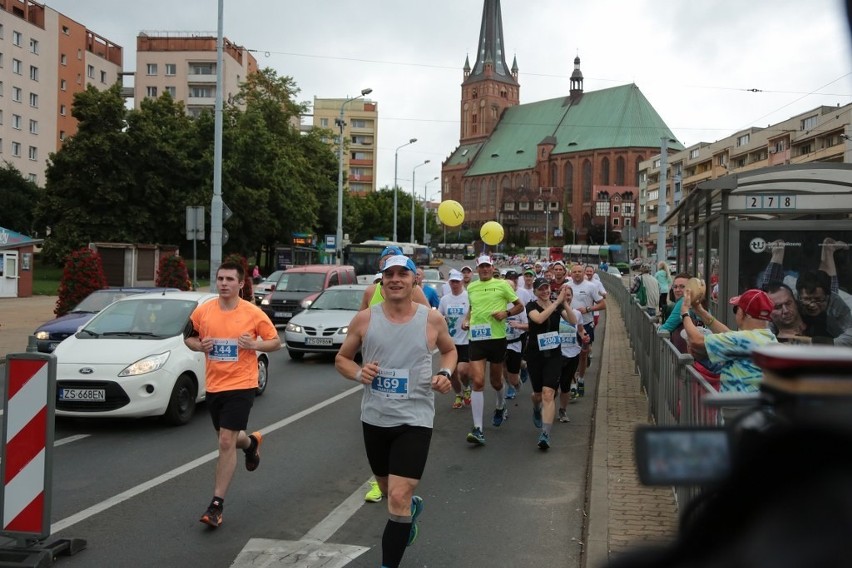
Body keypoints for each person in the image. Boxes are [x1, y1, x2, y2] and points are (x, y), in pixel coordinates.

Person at [334, 255, 456, 568]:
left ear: (415, 280)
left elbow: (450, 350)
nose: (396, 279)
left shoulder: (431, 319)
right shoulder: (364, 319)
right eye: (390, 274)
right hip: (374, 418)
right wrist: (358, 372)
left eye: (403, 273)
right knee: (390, 491)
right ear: (382, 281)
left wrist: (445, 373)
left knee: (398, 498)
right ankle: (409, 511)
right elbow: (342, 359)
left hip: (415, 418)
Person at [184, 261, 282, 528]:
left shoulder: (252, 313)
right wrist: (198, 345)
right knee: (229, 438)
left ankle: (216, 505)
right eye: (220, 278)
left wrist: (255, 344)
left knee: (225, 442)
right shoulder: (203, 312)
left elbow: (275, 342)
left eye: (229, 279)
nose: (224, 283)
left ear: (241, 284)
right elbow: (188, 337)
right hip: (214, 385)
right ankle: (251, 444)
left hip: (242, 384)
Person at [461, 255, 524, 445]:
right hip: (477, 339)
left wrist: (506, 313)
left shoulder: (503, 285)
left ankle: (500, 404)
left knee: (496, 382)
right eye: (482, 267)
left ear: (492, 267)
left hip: (496, 339)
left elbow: (520, 306)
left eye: (488, 266)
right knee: (478, 381)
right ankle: (478, 429)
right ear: (477, 269)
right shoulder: (471, 287)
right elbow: (472, 308)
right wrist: (466, 320)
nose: (485, 269)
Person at [680, 288, 778, 393]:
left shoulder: (743, 340)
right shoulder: (768, 338)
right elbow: (730, 335)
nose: (735, 314)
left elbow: (696, 341)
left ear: (746, 314)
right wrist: (700, 311)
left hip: (737, 407)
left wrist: (685, 312)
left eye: (736, 309)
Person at [526, 278, 569, 449]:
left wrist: (564, 304)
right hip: (535, 355)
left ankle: (545, 433)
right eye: (541, 289)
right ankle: (536, 408)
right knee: (538, 395)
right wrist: (556, 302)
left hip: (554, 355)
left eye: (546, 288)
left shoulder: (557, 306)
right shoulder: (531, 306)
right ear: (535, 291)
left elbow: (572, 320)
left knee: (548, 393)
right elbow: (539, 320)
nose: (544, 291)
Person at [567, 263, 605, 398]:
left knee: (583, 354)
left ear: (584, 273)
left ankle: (581, 379)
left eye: (579, 271)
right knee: (569, 355)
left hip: (586, 323)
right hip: (569, 326)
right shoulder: (567, 286)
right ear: (571, 273)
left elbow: (603, 304)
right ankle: (572, 384)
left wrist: (588, 309)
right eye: (574, 272)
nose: (577, 274)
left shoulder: (591, 286)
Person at [438, 270, 472, 409]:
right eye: (452, 281)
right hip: (450, 342)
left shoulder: (469, 297)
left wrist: (468, 322)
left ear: (462, 282)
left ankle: (467, 387)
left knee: (463, 370)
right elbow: (439, 317)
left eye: (457, 281)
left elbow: (474, 313)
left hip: (465, 341)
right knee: (451, 373)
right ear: (449, 282)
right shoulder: (445, 299)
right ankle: (459, 394)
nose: (455, 284)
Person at [359, 245, 431, 311]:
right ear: (380, 264)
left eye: (402, 274)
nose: (395, 279)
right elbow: (360, 322)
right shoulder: (370, 291)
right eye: (386, 260)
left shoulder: (415, 291)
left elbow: (429, 318)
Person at [795, 270, 852, 346]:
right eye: (807, 299)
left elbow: (850, 332)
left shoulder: (836, 303)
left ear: (827, 296)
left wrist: (831, 343)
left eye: (818, 299)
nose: (812, 305)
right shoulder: (791, 300)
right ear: (799, 296)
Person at [557, 285, 589, 422]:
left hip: (573, 353)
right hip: (557, 354)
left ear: (572, 297)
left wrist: (584, 337)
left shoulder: (577, 314)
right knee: (552, 384)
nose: (566, 297)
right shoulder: (554, 312)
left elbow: (580, 329)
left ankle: (563, 411)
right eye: (563, 294)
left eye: (568, 295)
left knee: (565, 385)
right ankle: (547, 409)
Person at [502, 270, 528, 401]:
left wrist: (518, 325)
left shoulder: (519, 304)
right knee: (503, 367)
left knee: (514, 374)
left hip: (517, 341)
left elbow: (529, 325)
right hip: (501, 342)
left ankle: (515, 382)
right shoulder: (497, 303)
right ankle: (510, 387)